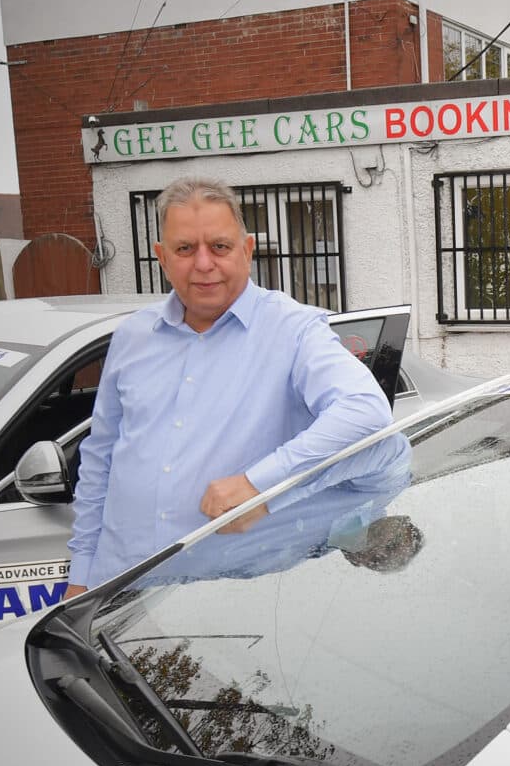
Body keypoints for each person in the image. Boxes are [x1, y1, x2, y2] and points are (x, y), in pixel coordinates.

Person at [63, 177, 402, 597]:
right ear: (162, 257)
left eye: (219, 247)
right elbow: (100, 460)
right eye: (185, 249)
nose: (203, 264)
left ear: (247, 249)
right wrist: (81, 576)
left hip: (222, 604)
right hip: (116, 592)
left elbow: (366, 412)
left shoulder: (291, 331)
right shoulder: (132, 336)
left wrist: (259, 485)